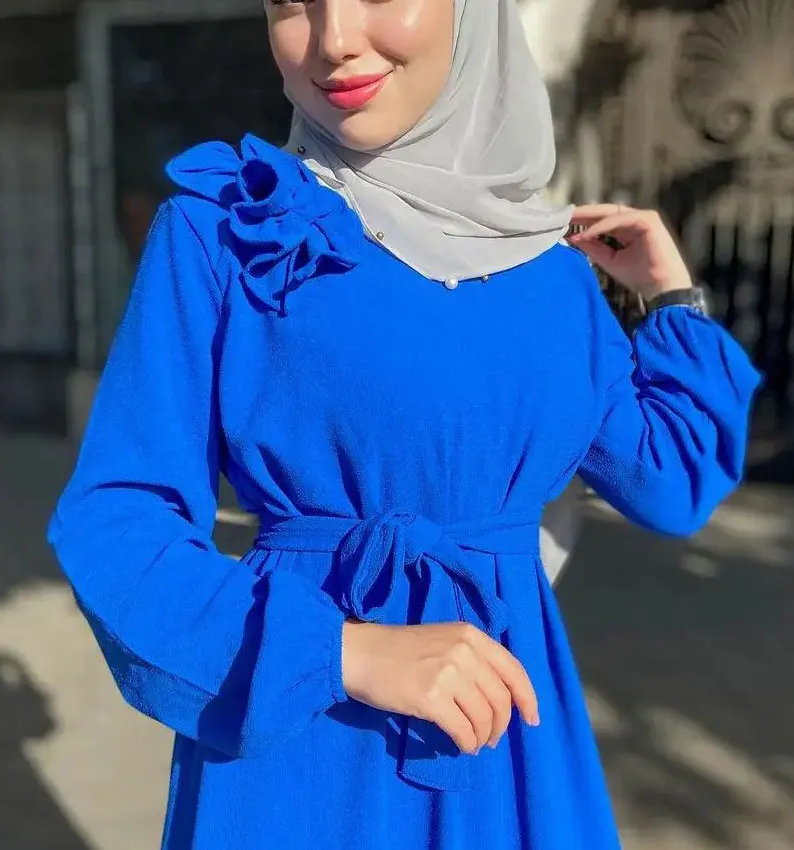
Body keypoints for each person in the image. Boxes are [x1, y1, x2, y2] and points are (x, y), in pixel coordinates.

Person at [48, 2, 760, 848]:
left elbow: (672, 480)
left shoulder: (551, 277)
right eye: (293, 4)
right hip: (304, 741)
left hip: (503, 746)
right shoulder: (231, 233)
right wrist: (344, 654)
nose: (334, 40)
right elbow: (117, 525)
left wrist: (672, 297)